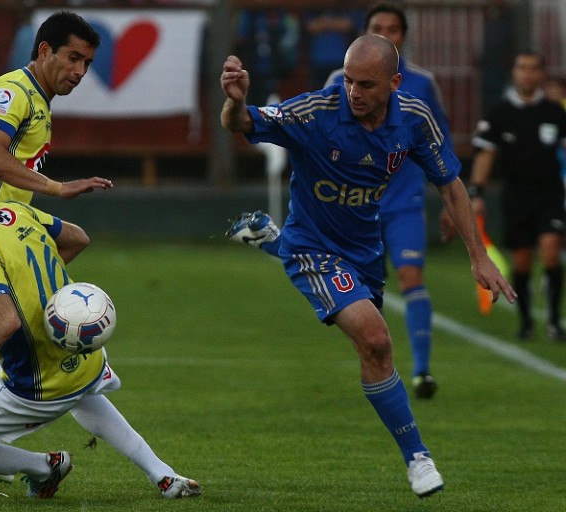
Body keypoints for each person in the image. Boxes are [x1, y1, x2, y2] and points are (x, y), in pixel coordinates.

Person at [220, 35, 516, 498]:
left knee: (374, 353)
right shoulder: (314, 112)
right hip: (314, 248)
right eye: (350, 81)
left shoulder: (414, 119)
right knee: (377, 339)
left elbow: (451, 185)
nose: (353, 92)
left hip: (364, 251)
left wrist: (478, 256)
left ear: (394, 83)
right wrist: (234, 103)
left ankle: (270, 240)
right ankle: (418, 458)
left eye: (366, 84)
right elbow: (241, 122)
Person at [0, 162, 201, 500]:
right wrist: (35, 282)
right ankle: (164, 476)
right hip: (84, 361)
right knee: (84, 397)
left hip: (33, 389)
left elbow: (4, 320)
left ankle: (43, 466)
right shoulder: (11, 212)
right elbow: (77, 238)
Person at [0, 11, 112, 495]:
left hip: (12, 234)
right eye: (73, 57)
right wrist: (56, 187)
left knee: (73, 241)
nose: (79, 70)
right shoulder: (14, 92)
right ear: (43, 51)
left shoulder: (32, 98)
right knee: (1, 346)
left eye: (88, 62)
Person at [323, 2, 451, 399]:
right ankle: (378, 366)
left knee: (411, 276)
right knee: (364, 293)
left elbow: (440, 144)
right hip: (356, 205)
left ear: (403, 37)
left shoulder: (422, 84)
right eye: (377, 26)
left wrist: (451, 200)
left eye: (392, 28)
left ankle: (423, 372)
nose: (385, 32)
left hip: (404, 201)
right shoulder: (340, 80)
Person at [463, 51, 566, 341]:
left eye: (534, 68)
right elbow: (486, 154)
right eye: (522, 68)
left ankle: (555, 322)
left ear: (542, 74)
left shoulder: (555, 112)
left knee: (550, 251)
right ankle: (526, 322)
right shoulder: (499, 114)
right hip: (516, 195)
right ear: (514, 73)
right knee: (521, 260)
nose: (528, 74)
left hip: (549, 193)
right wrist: (477, 191)